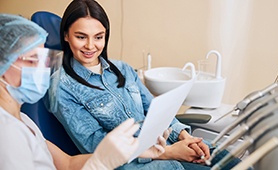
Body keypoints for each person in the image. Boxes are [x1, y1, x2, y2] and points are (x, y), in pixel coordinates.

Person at [48, 0, 241, 169]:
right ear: (66, 35)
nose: (91, 46)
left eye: (98, 37)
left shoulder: (123, 69)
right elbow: (97, 147)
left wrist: (185, 137)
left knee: (234, 162)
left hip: (168, 145)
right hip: (135, 164)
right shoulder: (61, 87)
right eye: (81, 37)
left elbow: (155, 110)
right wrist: (168, 152)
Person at [0, 13, 169, 170]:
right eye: (32, 60)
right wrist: (98, 165)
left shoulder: (24, 121)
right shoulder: (6, 134)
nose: (42, 69)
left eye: (44, 59)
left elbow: (67, 163)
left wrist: (135, 151)